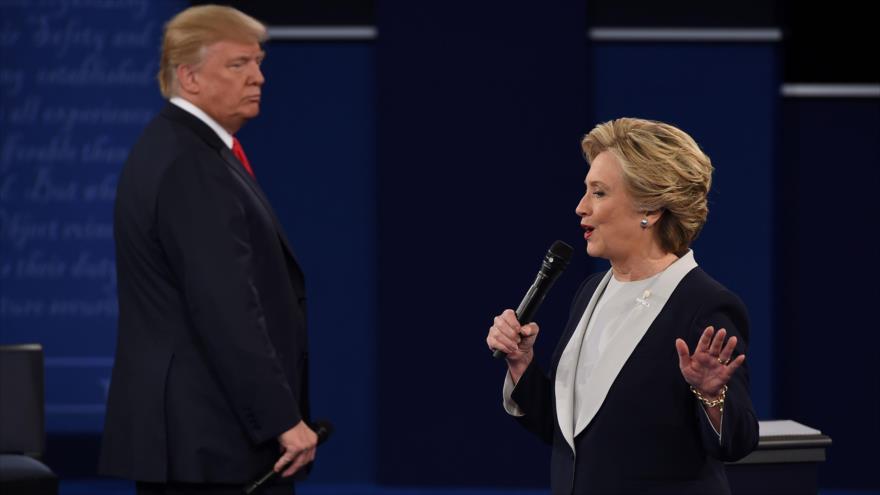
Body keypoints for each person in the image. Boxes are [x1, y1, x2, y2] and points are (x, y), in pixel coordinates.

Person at [99, 5, 316, 494]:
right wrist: (282, 419)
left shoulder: (184, 149)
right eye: (238, 65)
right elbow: (227, 308)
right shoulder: (189, 165)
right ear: (189, 77)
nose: (258, 77)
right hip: (211, 443)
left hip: (204, 438)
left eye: (258, 62)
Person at [486, 118, 759, 494]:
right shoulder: (591, 291)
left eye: (598, 193)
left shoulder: (706, 304)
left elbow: (736, 443)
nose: (581, 207)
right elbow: (568, 432)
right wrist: (521, 365)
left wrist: (712, 397)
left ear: (651, 205)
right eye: (586, 191)